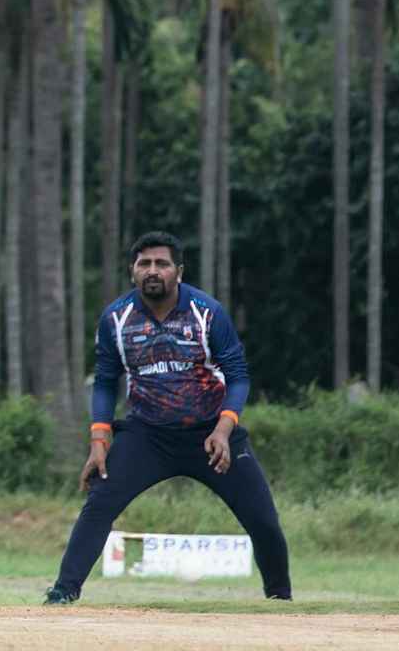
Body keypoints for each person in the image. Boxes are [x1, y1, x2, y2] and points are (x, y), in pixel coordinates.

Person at [44, 230, 292, 604]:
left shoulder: (207, 312)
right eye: (144, 264)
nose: (153, 270)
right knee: (100, 502)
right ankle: (63, 593)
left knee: (263, 520)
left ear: (179, 271)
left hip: (212, 435)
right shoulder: (116, 318)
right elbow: (106, 381)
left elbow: (238, 376)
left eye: (162, 263)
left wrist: (224, 429)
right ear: (133, 271)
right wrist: (99, 439)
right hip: (148, 435)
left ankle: (280, 600)